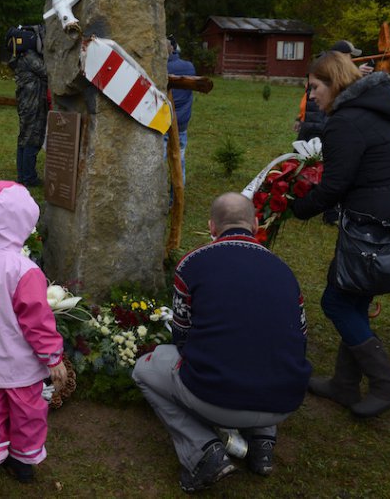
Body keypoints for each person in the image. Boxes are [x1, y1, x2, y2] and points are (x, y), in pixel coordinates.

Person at [132, 192, 311, 492]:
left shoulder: (193, 264)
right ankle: (263, 442)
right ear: (255, 224)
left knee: (144, 370)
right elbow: (299, 339)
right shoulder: (284, 271)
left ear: (212, 227)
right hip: (284, 399)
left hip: (214, 397)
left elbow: (182, 338)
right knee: (266, 344)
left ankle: (204, 451)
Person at [291, 52, 390, 417]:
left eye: (316, 87)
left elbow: (336, 184)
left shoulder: (345, 122)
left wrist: (298, 206)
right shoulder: (376, 110)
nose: (312, 95)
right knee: (354, 298)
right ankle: (344, 383)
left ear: (334, 83)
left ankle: (386, 383)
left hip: (371, 227)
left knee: (336, 302)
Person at [0, 181, 66, 493]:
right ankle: (23, 460)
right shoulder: (23, 269)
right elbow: (38, 322)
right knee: (28, 413)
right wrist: (53, 357)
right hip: (21, 366)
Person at [8, 26, 47, 187]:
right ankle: (29, 177)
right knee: (33, 138)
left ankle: (23, 176)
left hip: (26, 103)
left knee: (24, 138)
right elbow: (46, 72)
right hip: (34, 104)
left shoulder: (20, 57)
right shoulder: (30, 57)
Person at [165, 36, 195, 184]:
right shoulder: (189, 66)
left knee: (157, 162)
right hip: (182, 122)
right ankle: (176, 198)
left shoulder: (160, 67)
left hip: (161, 122)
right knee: (179, 161)